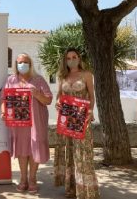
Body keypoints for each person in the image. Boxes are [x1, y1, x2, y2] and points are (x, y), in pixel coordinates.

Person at [1, 53, 52, 193]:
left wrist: (37, 94)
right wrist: (4, 112)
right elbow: (3, 100)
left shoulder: (39, 80)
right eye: (20, 62)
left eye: (25, 62)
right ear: (15, 65)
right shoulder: (10, 80)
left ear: (30, 64)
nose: (22, 65)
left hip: (37, 121)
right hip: (19, 123)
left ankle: (32, 179)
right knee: (22, 150)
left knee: (34, 148)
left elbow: (48, 100)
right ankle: (23, 179)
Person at [54, 48, 100, 199]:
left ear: (79, 58)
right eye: (68, 58)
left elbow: (92, 96)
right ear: (65, 60)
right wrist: (58, 104)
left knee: (83, 153)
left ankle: (87, 191)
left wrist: (91, 110)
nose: (71, 60)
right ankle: (72, 188)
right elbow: (59, 97)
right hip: (67, 119)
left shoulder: (87, 75)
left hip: (82, 118)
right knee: (70, 152)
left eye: (74, 57)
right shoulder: (62, 76)